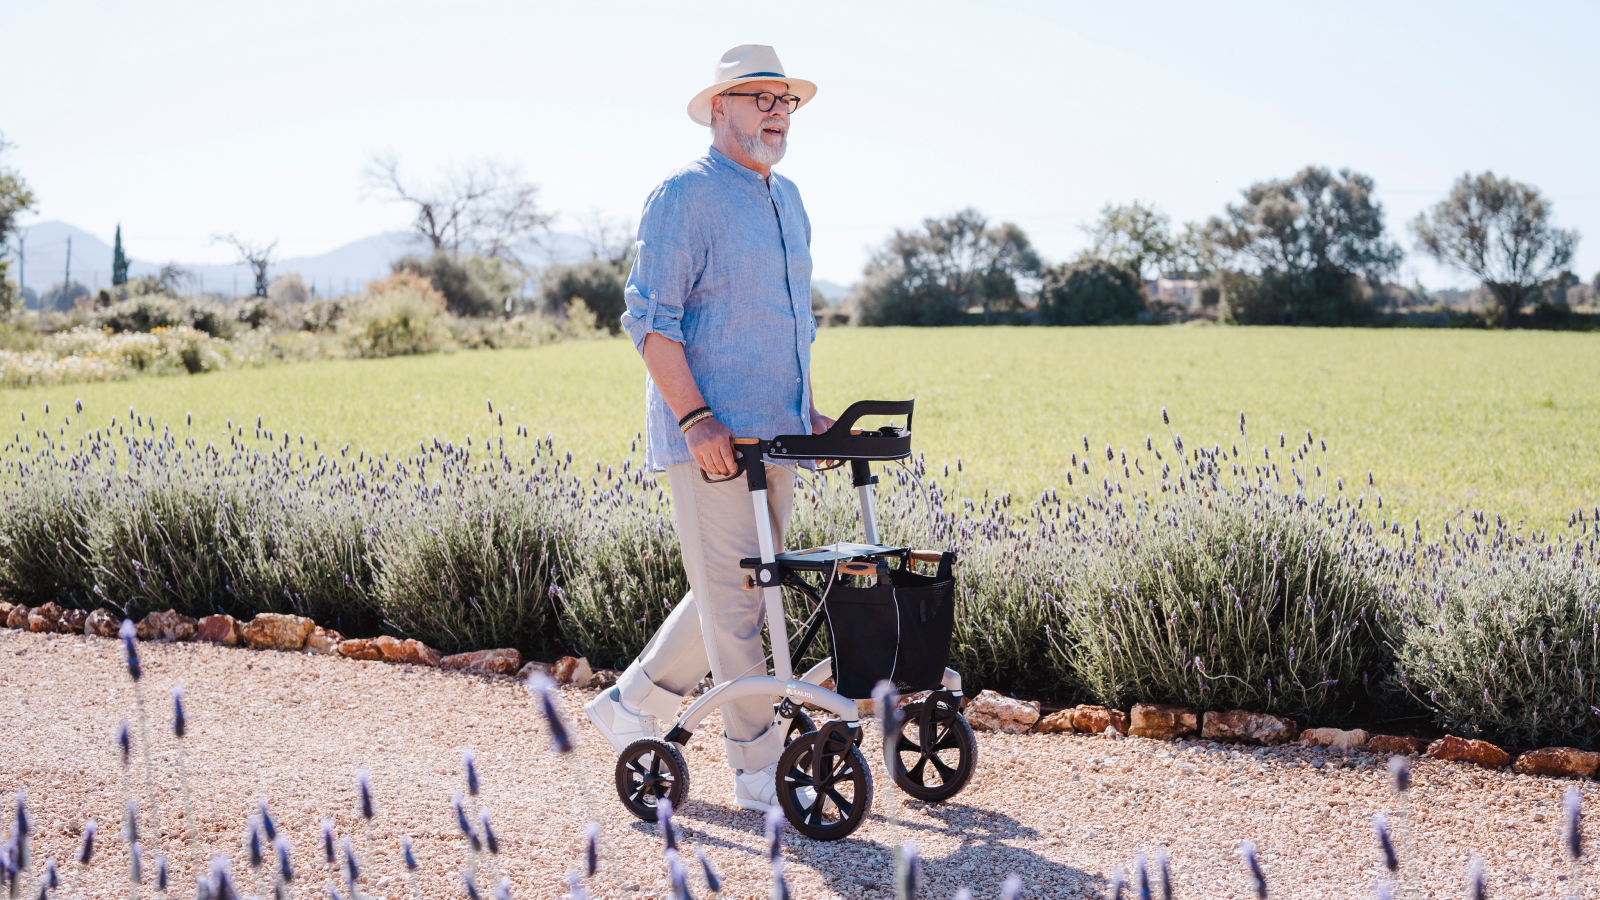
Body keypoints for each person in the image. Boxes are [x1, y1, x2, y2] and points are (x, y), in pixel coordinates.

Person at [584, 44, 832, 812]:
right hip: (712, 440)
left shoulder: (787, 198)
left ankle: (633, 703)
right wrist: (694, 418)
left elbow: (790, 326)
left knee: (743, 590)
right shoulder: (684, 194)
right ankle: (759, 768)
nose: (778, 111)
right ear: (719, 108)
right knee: (735, 600)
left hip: (776, 436)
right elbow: (649, 321)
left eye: (785, 100)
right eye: (761, 98)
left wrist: (809, 412)